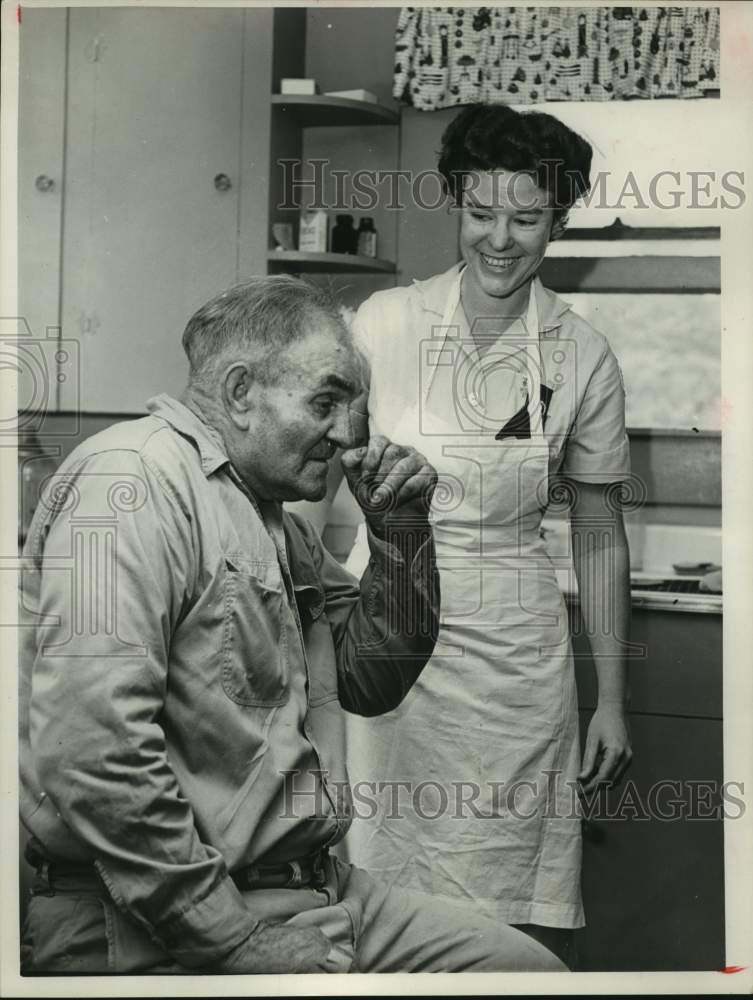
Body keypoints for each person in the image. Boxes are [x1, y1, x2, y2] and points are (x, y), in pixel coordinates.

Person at [18, 275, 565, 975]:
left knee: (523, 975)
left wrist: (401, 531)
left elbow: (371, 681)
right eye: (326, 402)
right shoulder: (130, 486)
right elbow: (93, 755)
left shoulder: (271, 517)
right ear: (242, 392)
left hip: (311, 887)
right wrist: (232, 939)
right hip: (154, 914)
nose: (348, 435)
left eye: (353, 408)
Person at [340, 104, 634, 967]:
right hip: (384, 632)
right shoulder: (382, 324)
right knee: (374, 885)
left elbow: (598, 528)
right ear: (453, 206)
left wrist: (610, 699)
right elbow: (312, 484)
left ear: (560, 220)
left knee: (507, 896)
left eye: (526, 217)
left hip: (514, 652)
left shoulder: (581, 354)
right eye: (480, 213)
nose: (499, 239)